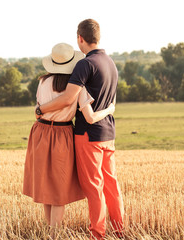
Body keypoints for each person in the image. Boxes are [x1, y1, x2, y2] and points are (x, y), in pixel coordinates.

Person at [35, 19, 125, 240]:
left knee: (93, 187)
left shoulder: (85, 64)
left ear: (80, 38)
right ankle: (120, 230)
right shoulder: (111, 63)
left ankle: (98, 234)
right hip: (108, 134)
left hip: (88, 135)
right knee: (111, 184)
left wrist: (41, 109)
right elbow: (109, 100)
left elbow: (67, 98)